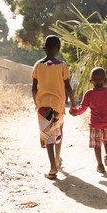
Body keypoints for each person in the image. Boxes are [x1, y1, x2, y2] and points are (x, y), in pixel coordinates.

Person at [32, 35, 76, 180]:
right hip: (58, 104)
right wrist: (74, 104)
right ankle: (57, 158)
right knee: (58, 132)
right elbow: (68, 87)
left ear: (44, 48)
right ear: (58, 49)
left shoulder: (38, 65)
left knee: (47, 135)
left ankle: (52, 167)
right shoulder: (62, 66)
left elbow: (34, 88)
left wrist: (36, 103)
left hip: (43, 105)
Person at [69, 67, 107, 173]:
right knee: (106, 141)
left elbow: (83, 108)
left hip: (94, 125)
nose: (98, 81)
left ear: (90, 81)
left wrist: (76, 113)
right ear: (105, 80)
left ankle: (100, 165)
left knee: (97, 145)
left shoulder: (89, 94)